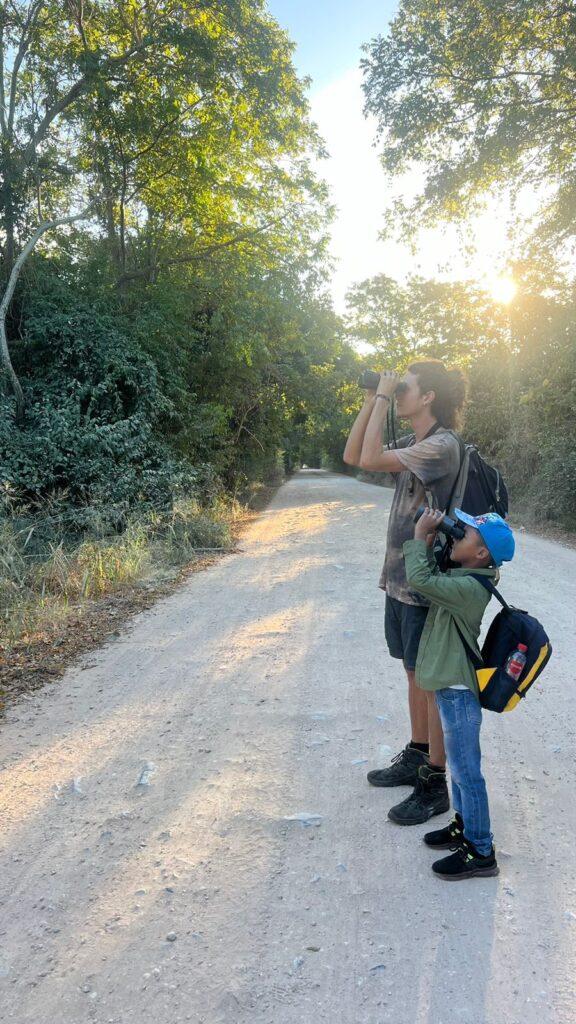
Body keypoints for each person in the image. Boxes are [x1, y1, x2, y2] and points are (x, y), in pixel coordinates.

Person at [343, 361, 465, 824]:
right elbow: (356, 454)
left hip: (425, 582)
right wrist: (371, 396)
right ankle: (417, 754)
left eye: (405, 387)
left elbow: (371, 459)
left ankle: (435, 782)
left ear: (429, 395)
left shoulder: (440, 445)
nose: (398, 394)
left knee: (430, 684)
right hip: (399, 579)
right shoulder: (416, 443)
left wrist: (379, 398)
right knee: (413, 676)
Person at [403, 506, 515, 879]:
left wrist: (421, 536)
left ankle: (481, 850)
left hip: (460, 691)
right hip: (450, 689)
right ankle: (463, 829)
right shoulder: (466, 574)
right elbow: (435, 572)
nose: (458, 534)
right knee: (459, 770)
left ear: (482, 553)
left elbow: (421, 578)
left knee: (468, 773)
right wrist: (440, 541)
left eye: (464, 535)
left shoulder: (469, 588)